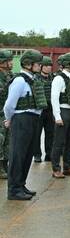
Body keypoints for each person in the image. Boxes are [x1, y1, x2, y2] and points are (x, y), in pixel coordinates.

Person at [3, 49, 47, 200]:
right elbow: (9, 105)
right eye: (37, 63)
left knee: (28, 154)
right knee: (18, 155)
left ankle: (21, 184)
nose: (40, 66)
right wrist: (10, 119)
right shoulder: (20, 80)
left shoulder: (33, 79)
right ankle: (14, 190)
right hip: (22, 119)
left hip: (33, 119)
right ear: (28, 64)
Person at [50, 52, 70, 179]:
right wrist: (57, 116)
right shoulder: (59, 78)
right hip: (63, 111)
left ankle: (67, 166)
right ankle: (56, 168)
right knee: (59, 142)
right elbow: (54, 98)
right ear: (67, 64)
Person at [33, 56, 55, 163]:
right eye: (46, 65)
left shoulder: (53, 78)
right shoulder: (35, 78)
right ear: (41, 66)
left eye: (50, 65)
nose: (49, 68)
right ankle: (37, 154)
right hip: (39, 110)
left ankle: (49, 154)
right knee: (37, 133)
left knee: (50, 132)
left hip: (50, 110)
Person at [0, 49, 15, 180]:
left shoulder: (11, 75)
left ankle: (5, 165)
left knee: (8, 141)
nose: (11, 63)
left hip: (7, 113)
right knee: (0, 139)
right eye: (9, 61)